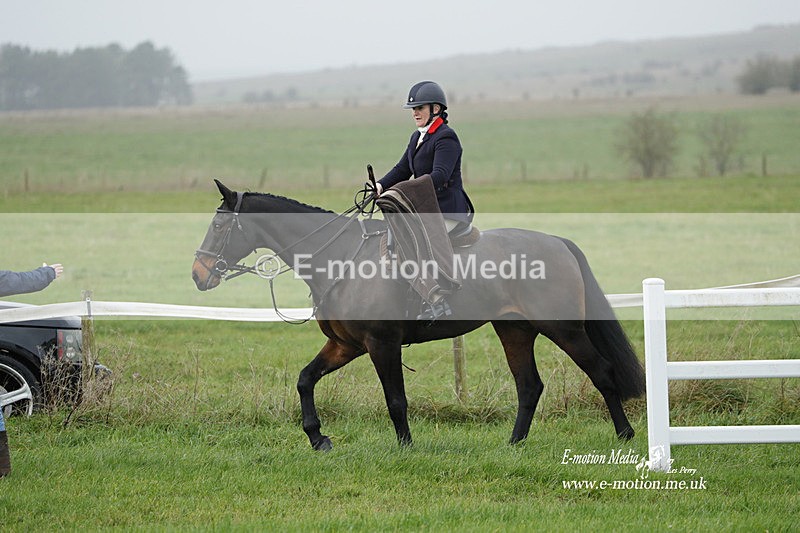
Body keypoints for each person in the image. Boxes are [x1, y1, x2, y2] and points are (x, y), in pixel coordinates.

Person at [376, 81, 474, 322]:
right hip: (424, 208)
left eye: (420, 108)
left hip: (446, 211)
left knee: (414, 239)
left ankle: (438, 300)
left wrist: (401, 191)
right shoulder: (417, 137)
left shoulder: (446, 137)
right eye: (413, 109)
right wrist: (379, 186)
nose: (415, 113)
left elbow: (439, 176)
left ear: (436, 109)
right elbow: (402, 169)